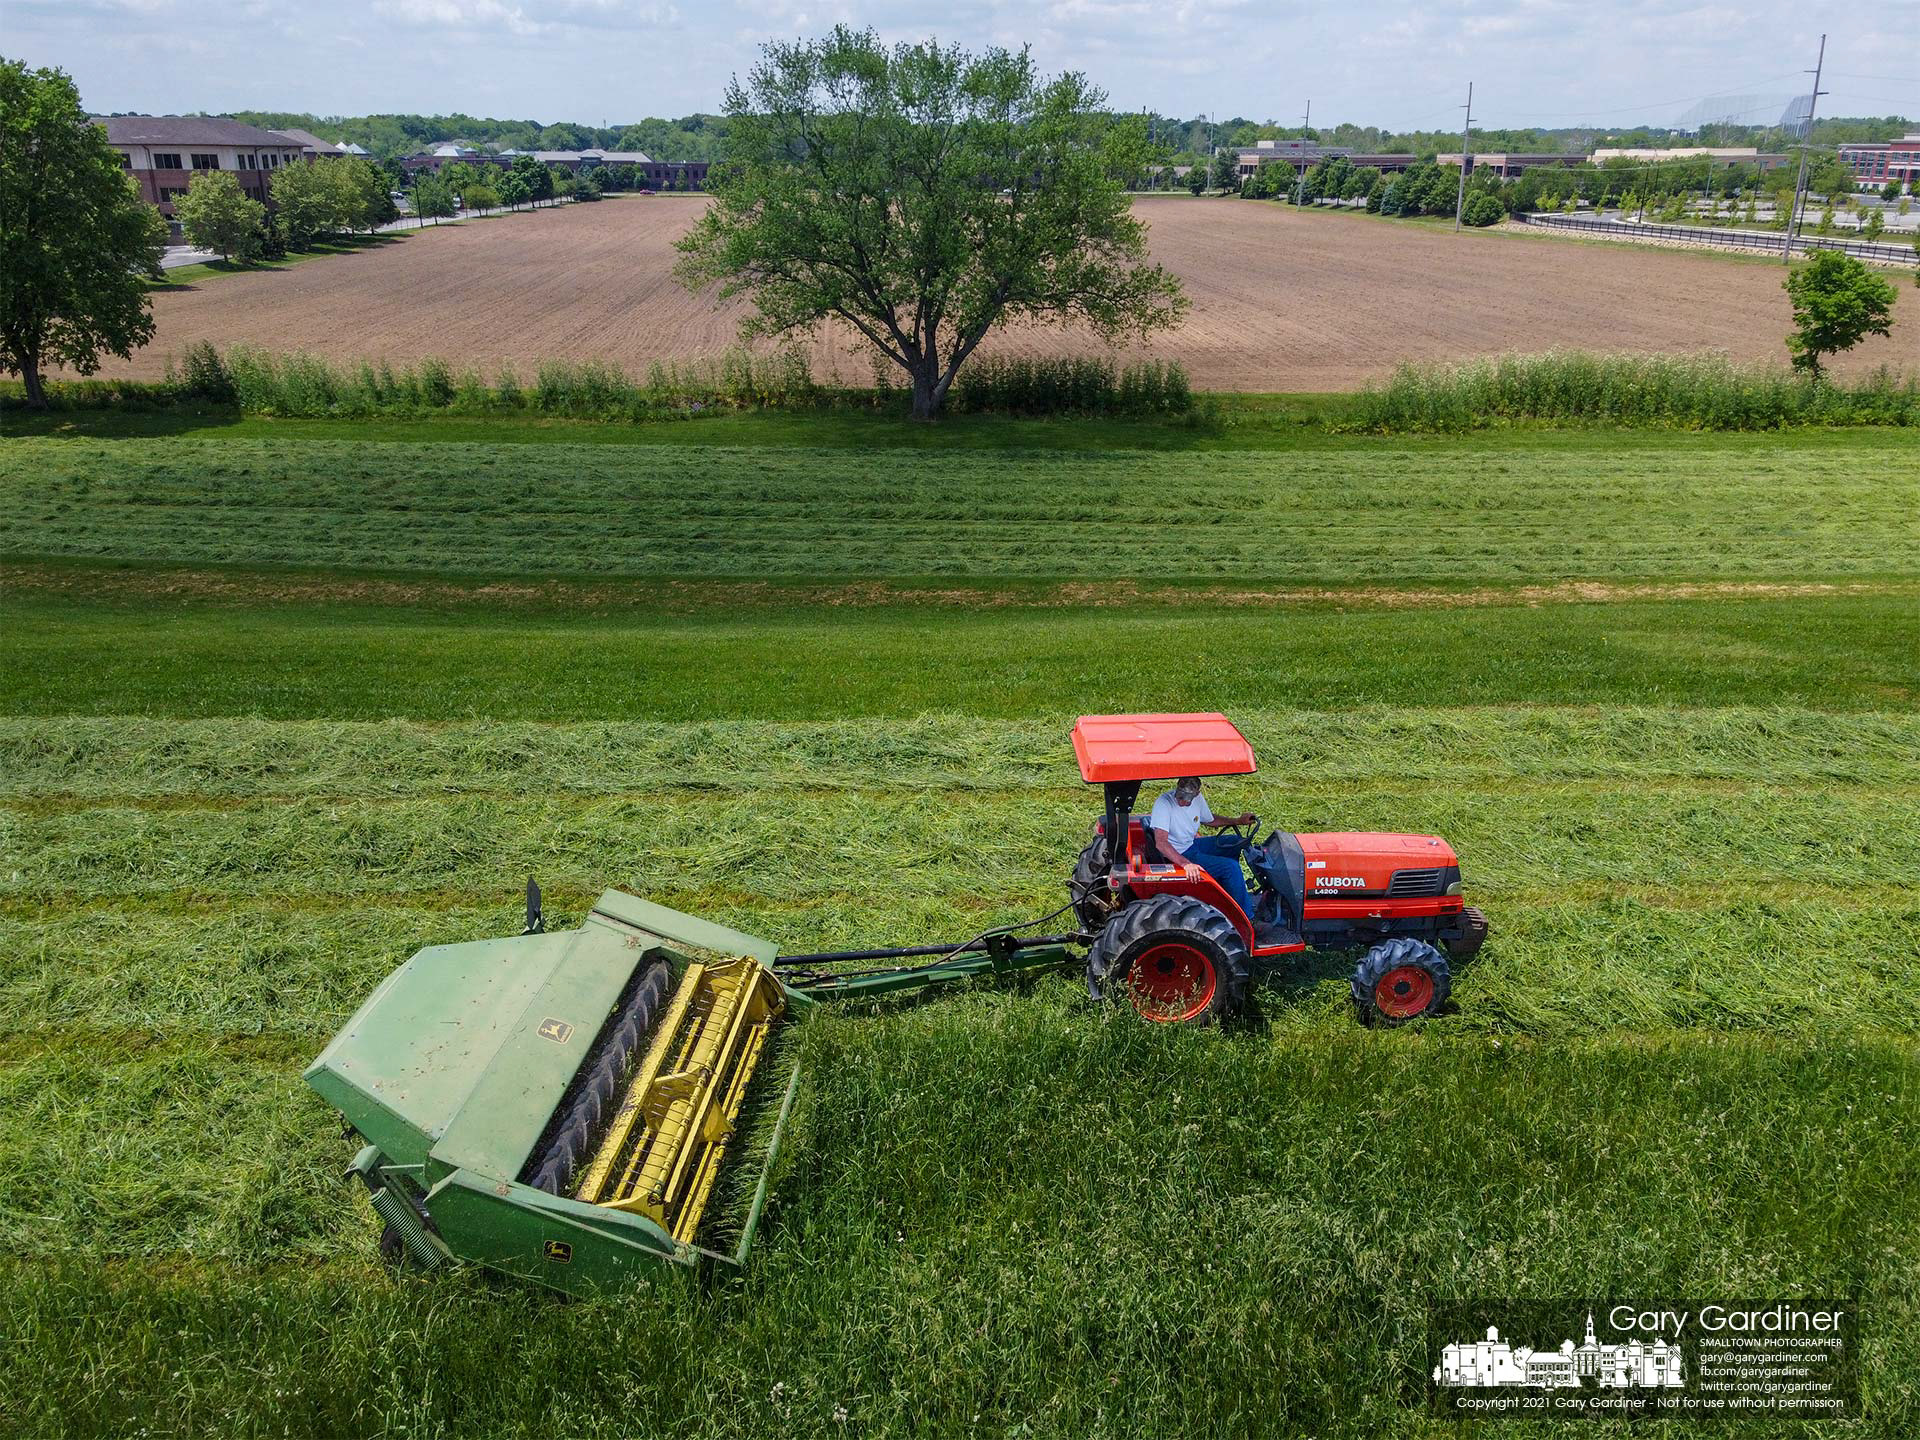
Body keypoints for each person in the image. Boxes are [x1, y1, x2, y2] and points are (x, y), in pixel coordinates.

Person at [1148, 776, 1257, 922]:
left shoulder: (1197, 800)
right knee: (1230, 867)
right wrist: (1186, 864)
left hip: (1191, 844)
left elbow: (1210, 820)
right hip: (1180, 853)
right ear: (1177, 788)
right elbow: (1161, 843)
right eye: (1180, 797)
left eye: (1186, 800)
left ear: (1197, 793)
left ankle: (1230, 893)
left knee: (1236, 842)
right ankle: (1247, 919)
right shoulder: (1164, 803)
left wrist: (1237, 821)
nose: (1182, 802)